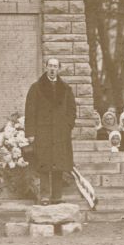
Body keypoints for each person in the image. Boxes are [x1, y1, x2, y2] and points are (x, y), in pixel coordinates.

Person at [24, 57, 77, 206]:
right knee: (44, 163)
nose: (53, 69)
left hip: (60, 133)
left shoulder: (66, 88)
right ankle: (45, 196)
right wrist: (31, 133)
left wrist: (67, 126)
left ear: (59, 69)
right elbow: (30, 111)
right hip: (43, 132)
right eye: (50, 66)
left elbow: (72, 110)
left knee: (59, 164)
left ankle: (57, 196)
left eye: (55, 66)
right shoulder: (36, 87)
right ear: (46, 67)